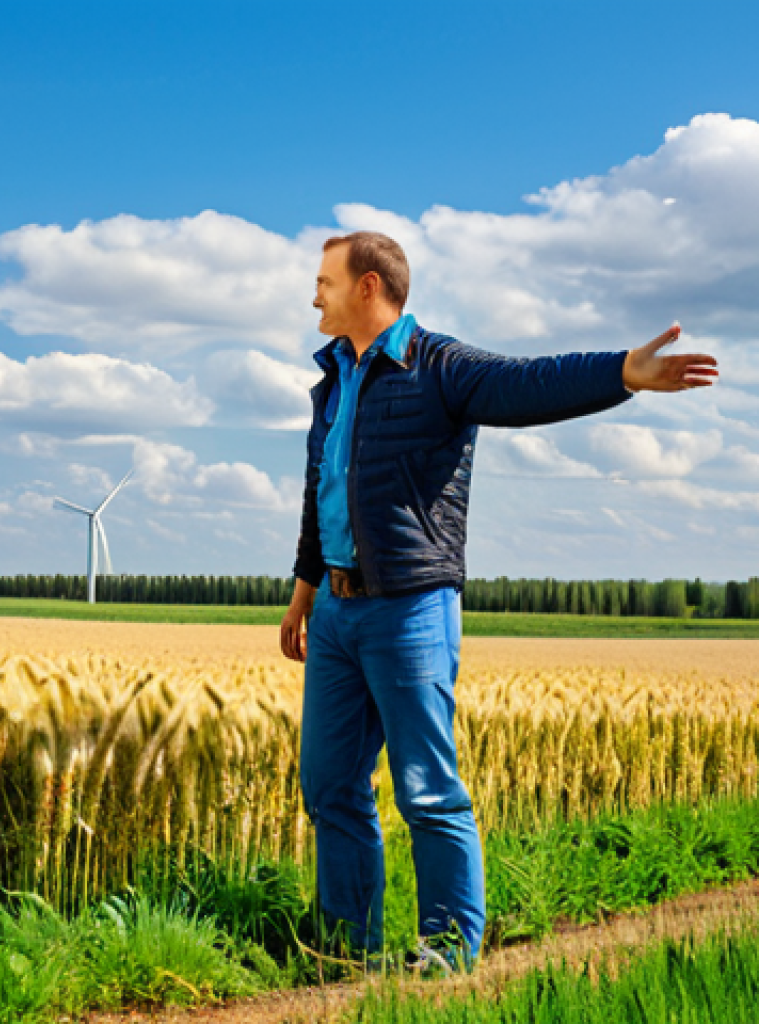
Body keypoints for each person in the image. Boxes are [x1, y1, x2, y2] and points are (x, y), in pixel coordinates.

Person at [280, 231, 718, 967]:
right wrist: (302, 597)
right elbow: (318, 498)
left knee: (426, 789)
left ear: (367, 288)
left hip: (411, 608)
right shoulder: (335, 381)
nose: (311, 295)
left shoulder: (440, 366)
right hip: (335, 611)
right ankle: (345, 945)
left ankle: (447, 948)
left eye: (323, 281)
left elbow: (529, 382)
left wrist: (624, 373)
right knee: (329, 786)